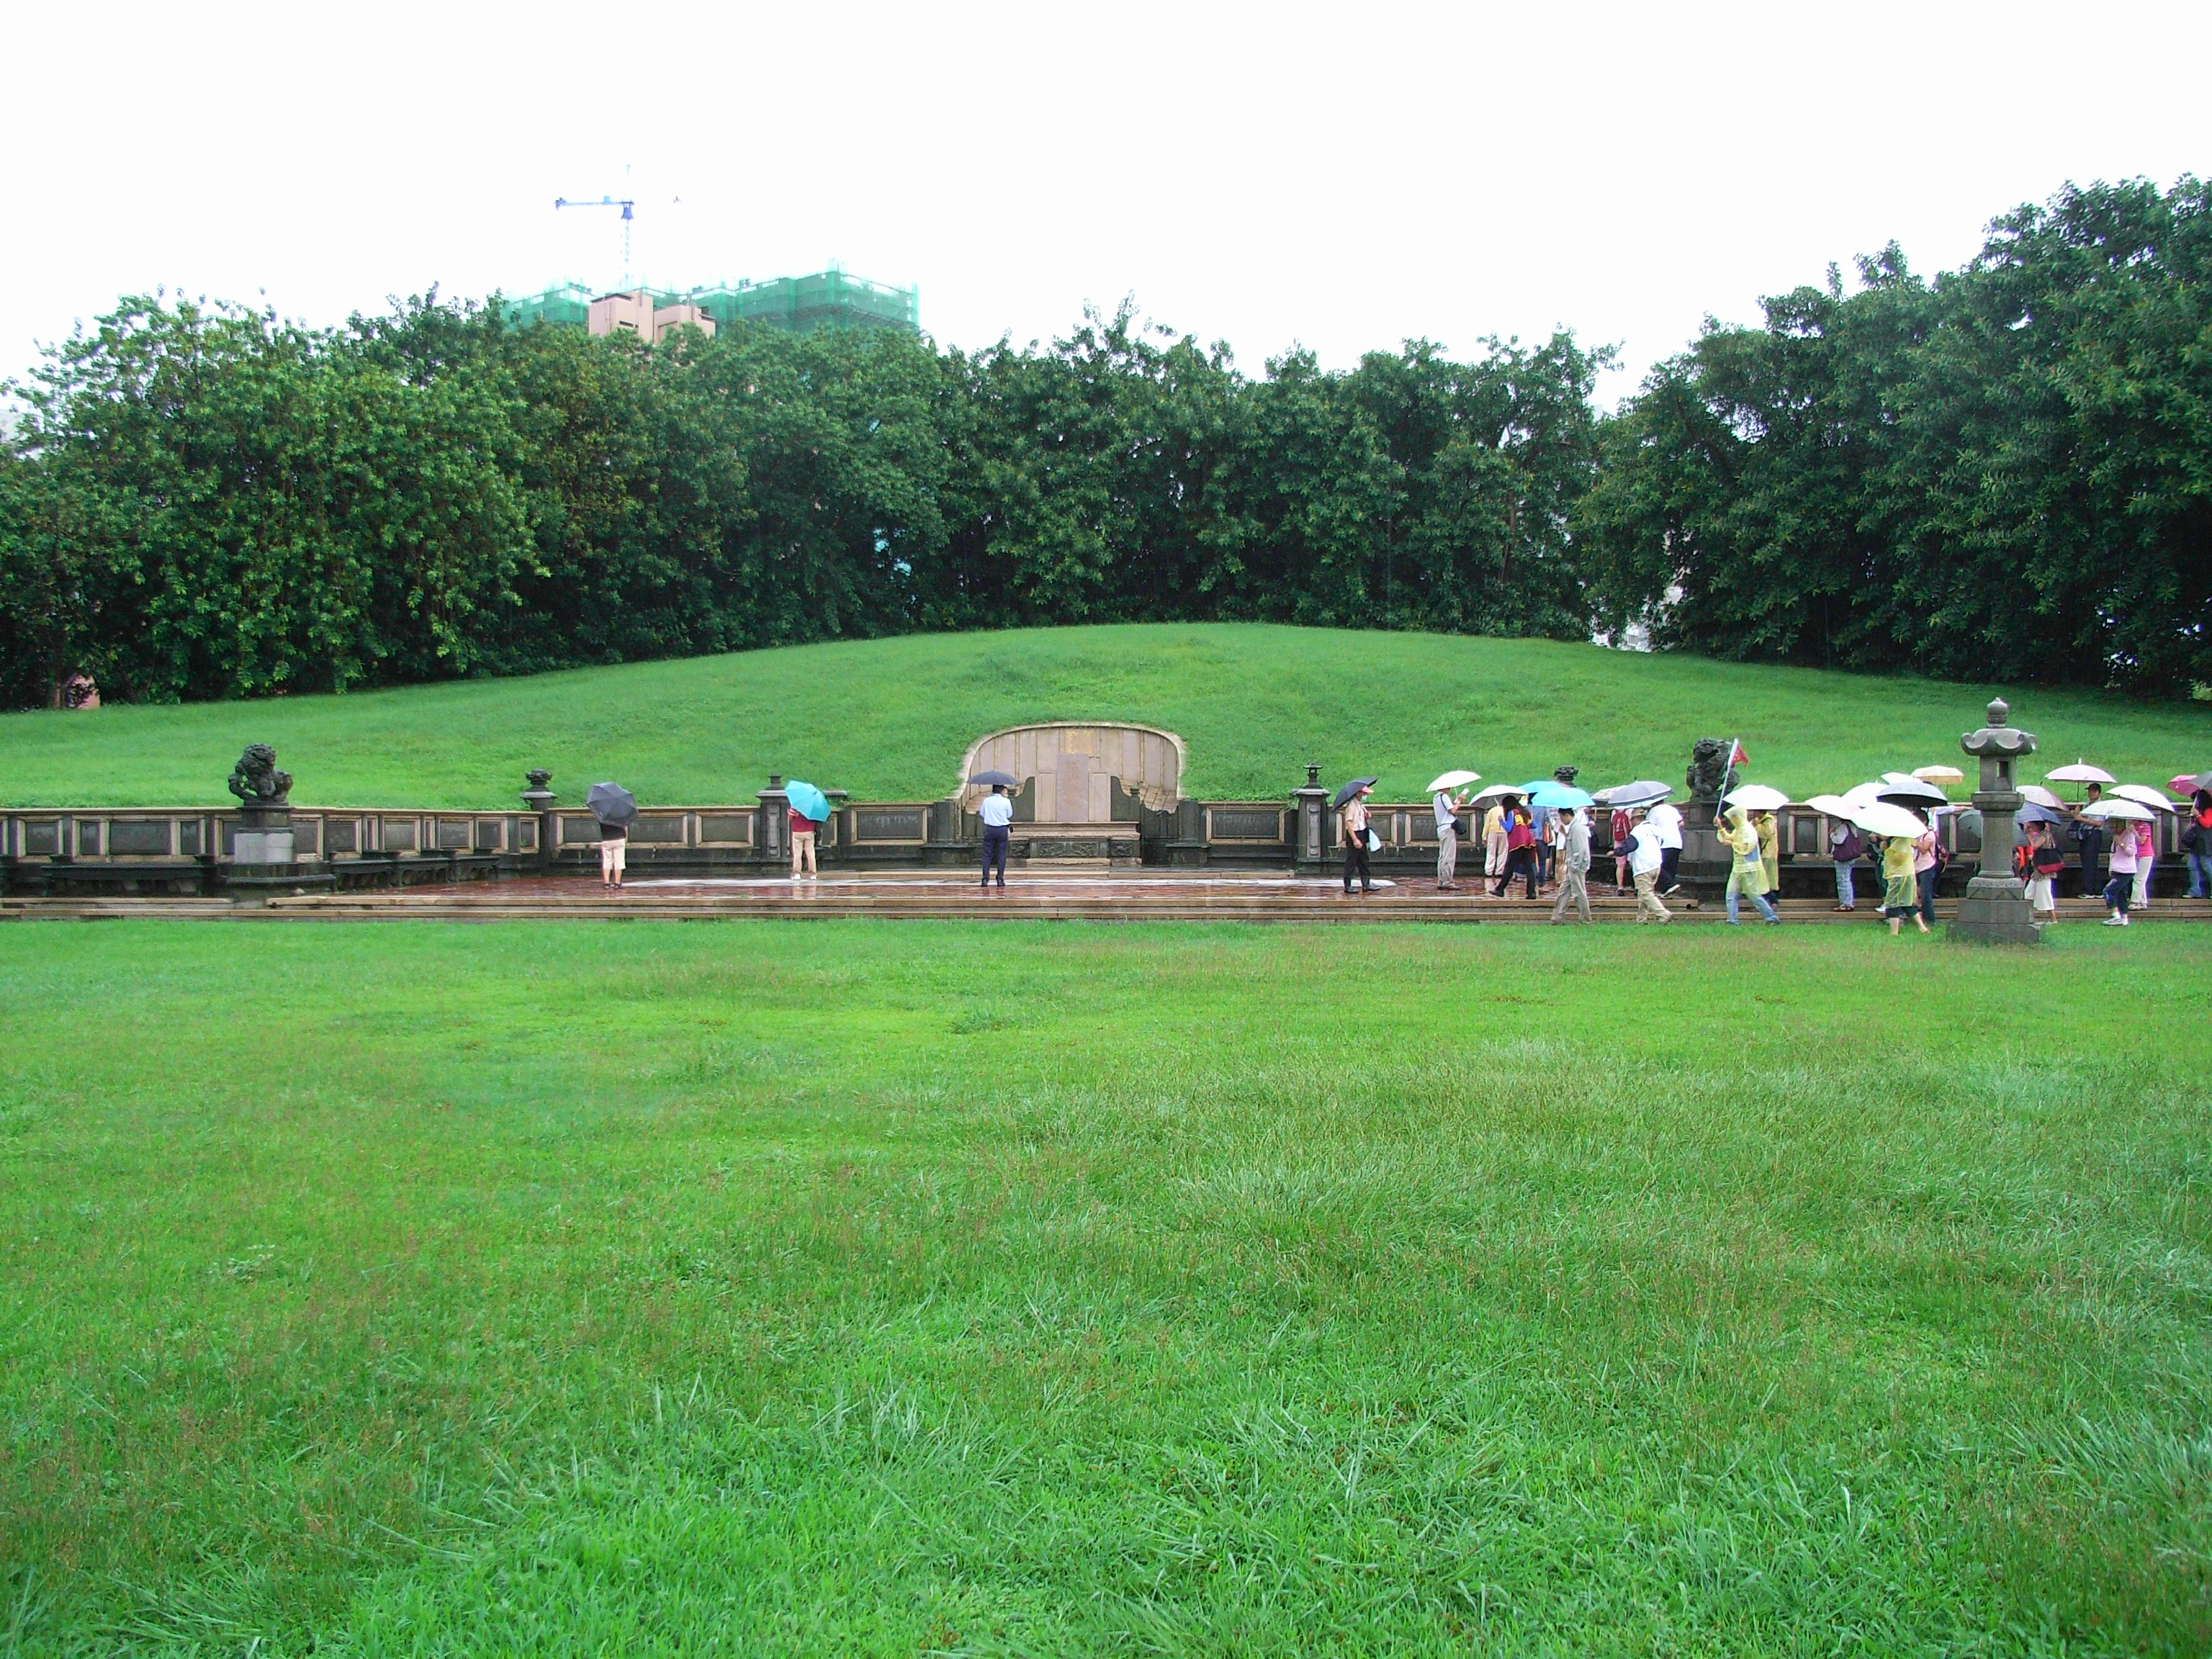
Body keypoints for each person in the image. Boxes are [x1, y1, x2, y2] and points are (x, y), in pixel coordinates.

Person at [1550, 806, 1593, 923]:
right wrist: (1565, 834)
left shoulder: (1577, 828)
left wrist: (1574, 865)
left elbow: (1580, 849)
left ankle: (1586, 918)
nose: (1561, 820)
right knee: (1564, 890)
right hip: (1573, 865)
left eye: (1561, 817)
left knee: (1579, 892)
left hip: (1577, 866)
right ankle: (1558, 916)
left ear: (1566, 815)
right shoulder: (1574, 828)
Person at [1489, 795, 1537, 899]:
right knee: (1529, 869)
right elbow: (1534, 825)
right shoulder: (1525, 812)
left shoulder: (1512, 813)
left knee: (1509, 868)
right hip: (1528, 843)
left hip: (1517, 843)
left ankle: (1500, 889)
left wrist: (1501, 821)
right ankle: (1531, 892)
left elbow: (1509, 828)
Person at [1626, 809, 1671, 923]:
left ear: (1635, 819)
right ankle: (1641, 919)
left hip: (1643, 866)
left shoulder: (1637, 831)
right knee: (1644, 893)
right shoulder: (1654, 829)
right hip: (1656, 864)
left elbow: (1629, 846)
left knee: (1646, 894)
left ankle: (1663, 914)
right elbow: (1661, 843)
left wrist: (1615, 852)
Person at [1880, 830, 1925, 935]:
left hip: (1899, 875)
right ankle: (1922, 928)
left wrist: (1886, 849)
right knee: (1906, 903)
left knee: (1892, 902)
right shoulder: (1901, 839)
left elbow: (1898, 858)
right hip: (1905, 874)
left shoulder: (1900, 840)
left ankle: (1894, 932)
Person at [2023, 819, 2063, 923]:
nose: (2030, 825)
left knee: (2045, 894)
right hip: (2038, 871)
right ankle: (2027, 918)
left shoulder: (2045, 835)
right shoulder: (2042, 834)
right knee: (2028, 894)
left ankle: (2053, 919)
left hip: (2044, 871)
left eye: (2031, 824)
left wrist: (2028, 835)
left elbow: (2034, 846)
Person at [2071, 782, 2105, 898]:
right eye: (2090, 790)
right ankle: (2096, 889)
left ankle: (2090, 890)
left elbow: (2099, 823)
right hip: (2085, 834)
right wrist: (2077, 815)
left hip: (2094, 834)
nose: (2091, 793)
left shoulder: (2100, 806)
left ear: (2099, 793)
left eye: (2094, 791)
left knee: (2090, 862)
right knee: (2086, 861)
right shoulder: (2087, 805)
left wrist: (2081, 819)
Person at [2103, 812, 2136, 925]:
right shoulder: (2117, 835)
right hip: (2117, 869)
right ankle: (2124, 918)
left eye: (2114, 825)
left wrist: (2121, 843)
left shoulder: (2128, 835)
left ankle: (2116, 916)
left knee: (2108, 891)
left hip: (2125, 870)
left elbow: (2131, 852)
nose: (2112, 828)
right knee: (2120, 894)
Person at [1645, 799, 1685, 896]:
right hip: (1676, 842)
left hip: (1663, 843)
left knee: (1657, 866)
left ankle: (1670, 884)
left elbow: (1649, 826)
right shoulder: (1671, 809)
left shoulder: (1653, 811)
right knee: (1671, 867)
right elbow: (1681, 823)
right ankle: (1667, 891)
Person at [1341, 784, 1375, 894]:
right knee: (1351, 861)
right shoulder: (1351, 805)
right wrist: (1355, 839)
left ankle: (1366, 883)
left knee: (1363, 860)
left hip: (1361, 832)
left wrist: (1366, 816)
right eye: (1364, 793)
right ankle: (1348, 885)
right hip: (1355, 834)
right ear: (1358, 793)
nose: (1365, 795)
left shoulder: (1360, 804)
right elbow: (1349, 823)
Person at [978, 783, 1012, 889]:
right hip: (1002, 829)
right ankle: (1000, 879)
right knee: (1001, 854)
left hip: (990, 829)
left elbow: (982, 814)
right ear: (1002, 790)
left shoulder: (987, 801)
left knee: (987, 854)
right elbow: (1009, 814)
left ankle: (985, 878)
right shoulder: (1006, 801)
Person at [1433, 786, 1465, 890]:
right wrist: (1459, 801)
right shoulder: (1444, 797)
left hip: (1441, 828)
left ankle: (1441, 880)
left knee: (1442, 856)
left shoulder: (1436, 798)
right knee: (1448, 856)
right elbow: (1453, 811)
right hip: (1448, 828)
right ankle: (1447, 881)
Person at [1828, 816, 1862, 912]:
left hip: (1843, 857)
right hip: (1851, 856)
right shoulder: (1853, 827)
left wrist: (1832, 834)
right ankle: (1848, 902)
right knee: (1847, 879)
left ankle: (1846, 904)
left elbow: (1839, 841)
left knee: (1842, 880)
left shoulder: (1843, 827)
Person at [2185, 791, 2212, 900]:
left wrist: (2199, 815)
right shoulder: (2199, 811)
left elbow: (2207, 824)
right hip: (2196, 844)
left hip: (2206, 844)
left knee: (2207, 867)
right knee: (2192, 865)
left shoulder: (2209, 810)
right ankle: (2195, 890)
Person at [1913, 819, 1939, 928]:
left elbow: (1924, 849)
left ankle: (1930, 920)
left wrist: (1914, 842)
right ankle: (1919, 919)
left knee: (1926, 896)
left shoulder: (1930, 834)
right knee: (1915, 894)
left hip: (1927, 866)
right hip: (1916, 866)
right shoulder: (1916, 834)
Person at [1755, 809, 1782, 907]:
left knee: (1768, 877)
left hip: (1769, 853)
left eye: (1757, 813)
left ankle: (1772, 899)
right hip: (1764, 852)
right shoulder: (1761, 821)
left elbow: (1767, 833)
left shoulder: (1768, 821)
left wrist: (1757, 826)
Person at [788, 803, 819, 880]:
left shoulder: (795, 806)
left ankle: (797, 873)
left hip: (797, 832)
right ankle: (813, 874)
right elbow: (816, 819)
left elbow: (790, 818)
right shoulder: (812, 807)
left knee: (797, 854)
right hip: (809, 832)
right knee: (811, 854)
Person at [2131, 815, 2155, 909]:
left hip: (2145, 855)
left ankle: (2135, 901)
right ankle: (2143, 901)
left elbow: (2142, 841)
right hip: (2136, 855)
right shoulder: (2131, 826)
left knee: (2139, 879)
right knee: (2140, 879)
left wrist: (2134, 832)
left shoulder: (2145, 826)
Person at [597, 817, 627, 891]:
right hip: (619, 838)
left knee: (607, 861)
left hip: (606, 839)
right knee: (619, 861)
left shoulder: (602, 815)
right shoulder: (621, 815)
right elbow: (625, 827)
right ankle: (617, 883)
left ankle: (607, 883)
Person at [1483, 798, 1509, 884]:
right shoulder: (1507, 810)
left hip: (1492, 831)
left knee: (1491, 851)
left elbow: (1487, 824)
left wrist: (1484, 837)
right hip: (1504, 832)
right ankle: (1499, 871)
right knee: (1503, 852)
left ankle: (1488, 871)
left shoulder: (1492, 810)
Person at [1609, 806, 1633, 894]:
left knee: (1620, 865)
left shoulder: (1614, 812)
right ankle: (1637, 886)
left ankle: (1620, 887)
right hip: (1630, 839)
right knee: (1633, 864)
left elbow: (1613, 827)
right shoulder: (1630, 811)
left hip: (1618, 840)